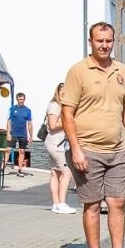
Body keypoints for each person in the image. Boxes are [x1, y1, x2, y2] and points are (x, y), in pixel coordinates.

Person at [61, 22, 125, 248]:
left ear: (113, 41)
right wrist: (75, 148)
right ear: (90, 42)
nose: (104, 45)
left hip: (116, 150)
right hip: (87, 149)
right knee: (93, 205)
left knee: (117, 202)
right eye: (99, 41)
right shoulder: (78, 71)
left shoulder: (121, 71)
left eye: (108, 41)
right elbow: (67, 112)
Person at [43, 83, 73, 213]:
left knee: (56, 173)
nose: (64, 95)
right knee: (67, 172)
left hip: (58, 142)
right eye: (62, 93)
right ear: (58, 92)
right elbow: (53, 125)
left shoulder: (61, 106)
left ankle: (56, 203)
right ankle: (61, 203)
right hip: (56, 143)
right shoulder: (55, 105)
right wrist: (69, 120)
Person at [6, 92, 34, 176]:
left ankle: (20, 170)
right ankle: (2, 168)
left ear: (24, 99)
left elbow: (29, 123)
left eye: (22, 99)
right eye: (19, 99)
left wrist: (31, 136)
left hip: (23, 134)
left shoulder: (28, 110)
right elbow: (9, 121)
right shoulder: (12, 109)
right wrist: (8, 133)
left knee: (22, 151)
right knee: (7, 150)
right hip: (13, 133)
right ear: (17, 99)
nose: (21, 101)